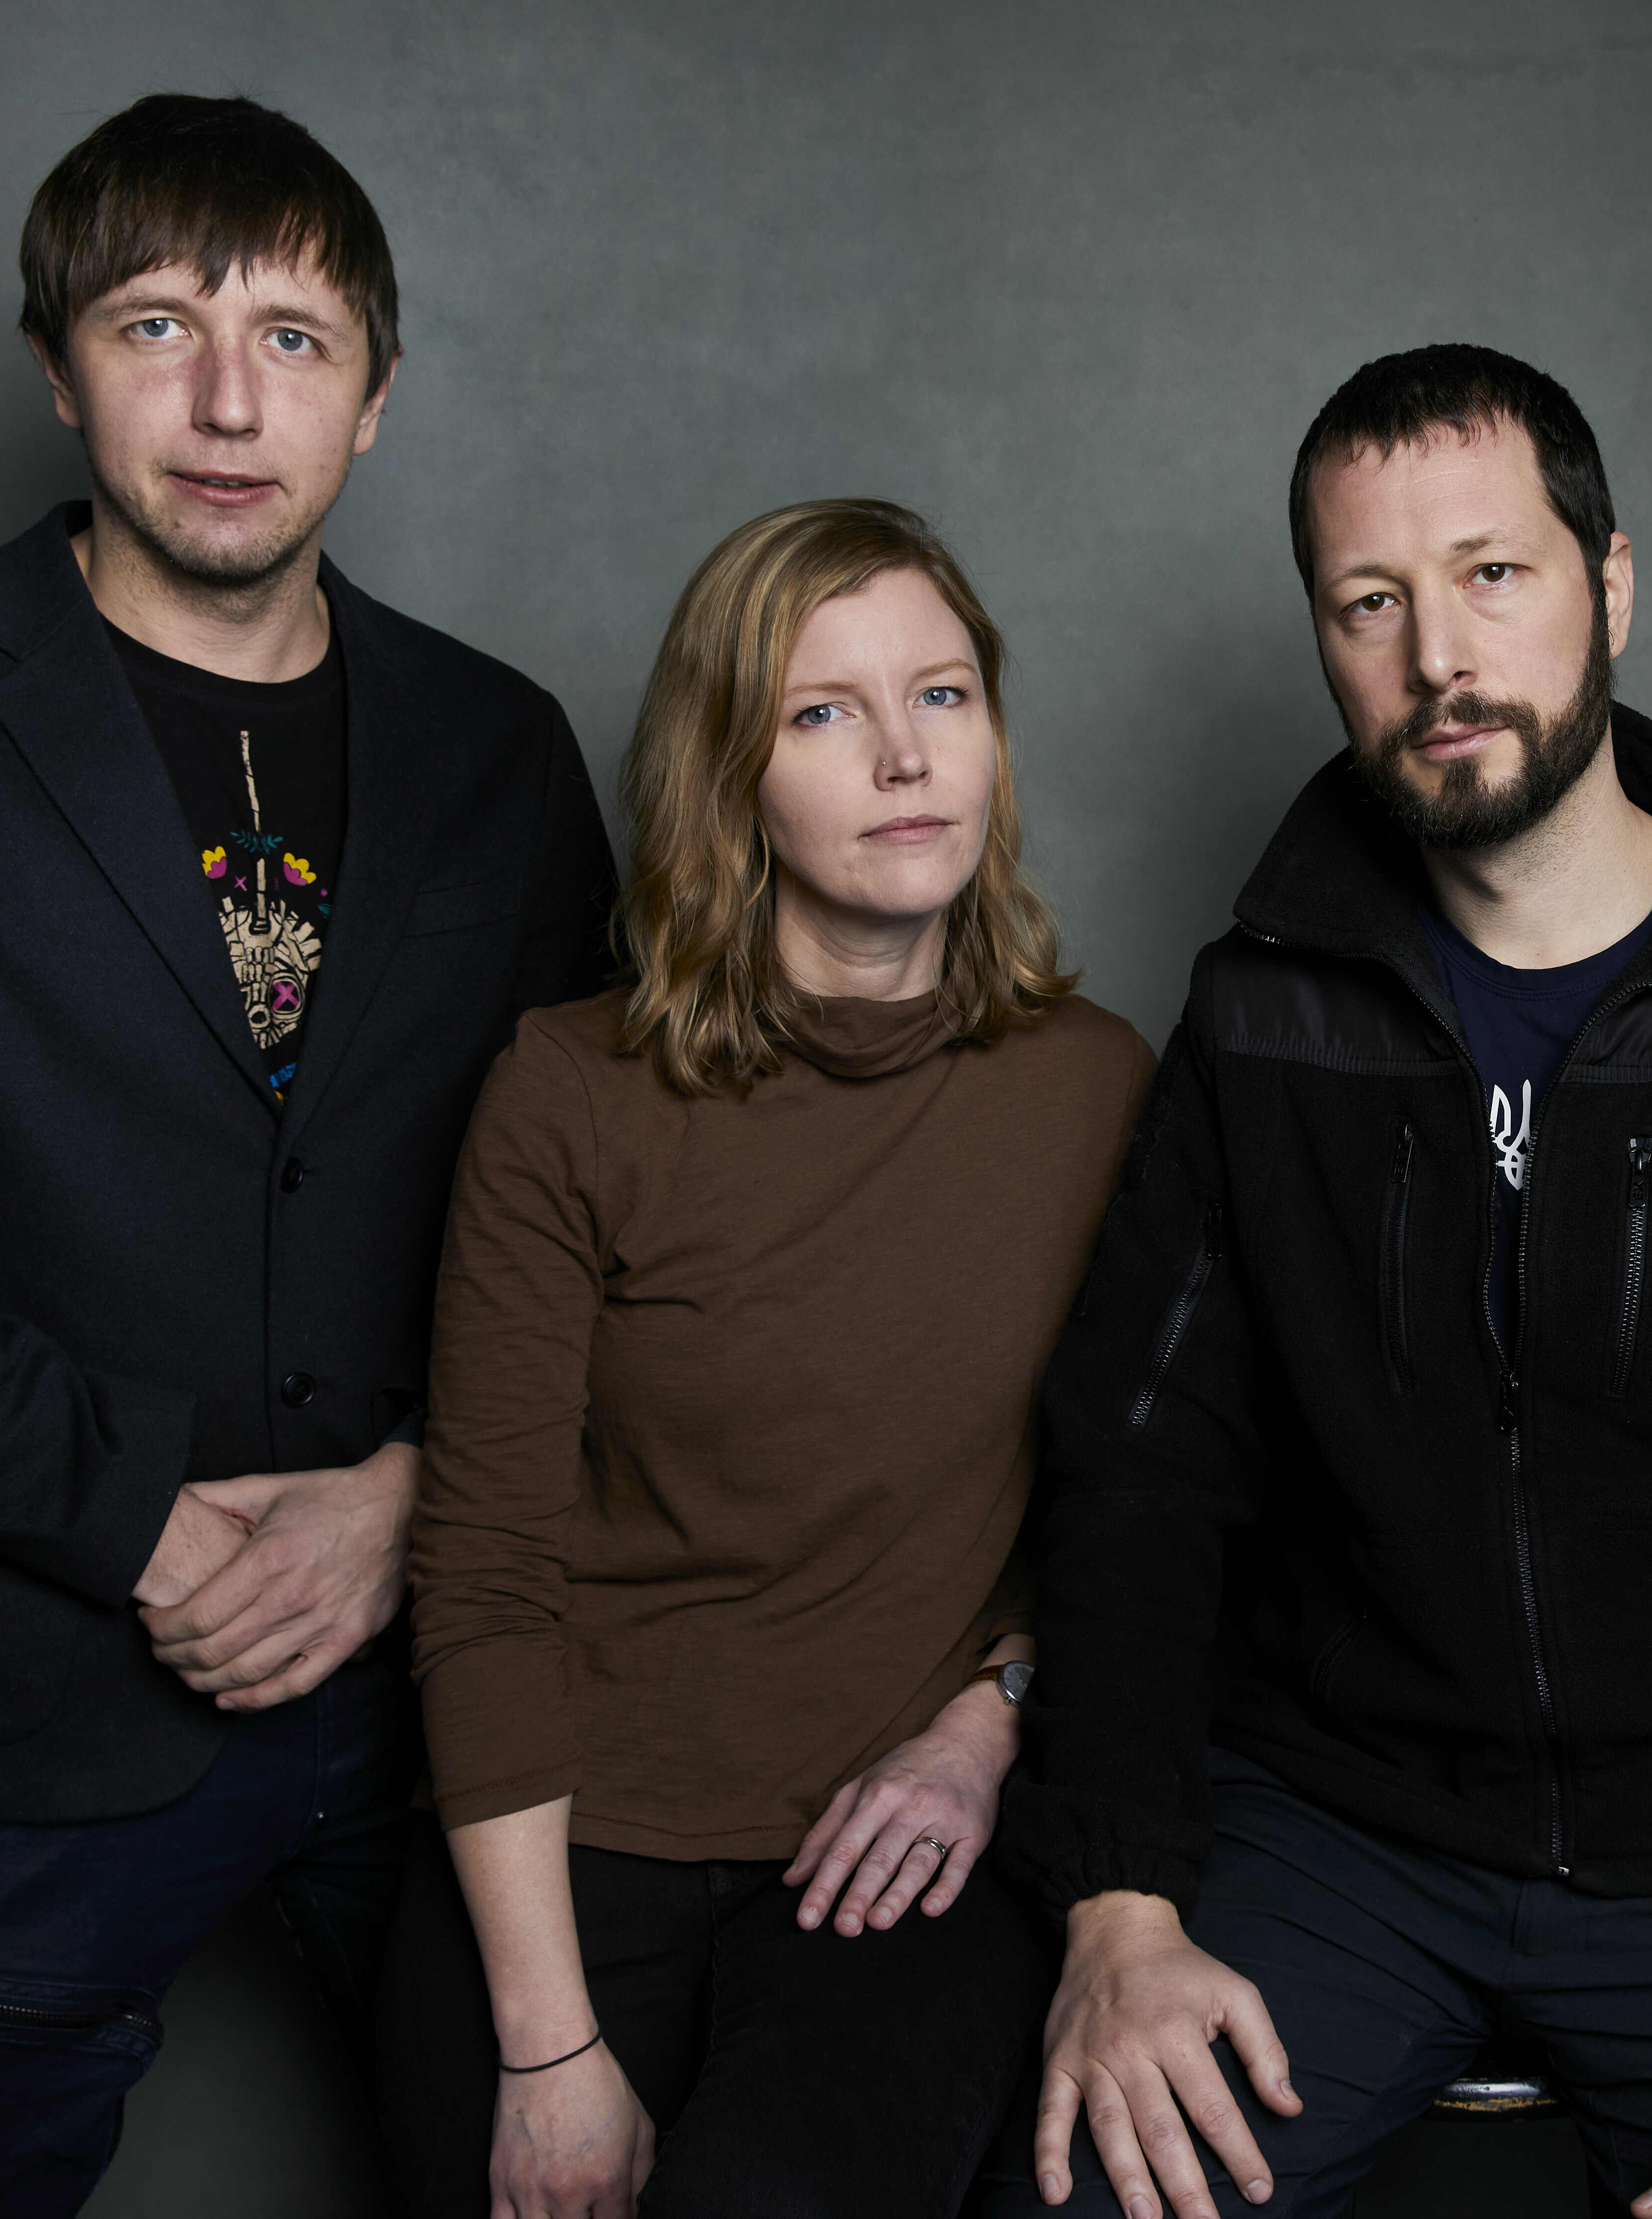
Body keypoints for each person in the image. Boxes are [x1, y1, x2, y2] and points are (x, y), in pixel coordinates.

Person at [980, 345, 1652, 2219]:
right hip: (1340, 1835)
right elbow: (1139, 1480)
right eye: (1368, 603)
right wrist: (1120, 1906)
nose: (1439, 659)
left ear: (1609, 586)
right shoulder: (1262, 1015)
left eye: (1494, 575)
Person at [0, 92, 620, 2214]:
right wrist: (145, 1526)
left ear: (375, 394)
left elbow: (590, 1216)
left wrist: (412, 1496)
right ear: (56, 365)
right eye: (155, 326)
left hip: (436, 1717)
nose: (227, 401)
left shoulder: (498, 748)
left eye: (293, 338)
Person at [376, 499, 1152, 2218]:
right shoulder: (569, 1093)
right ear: (729, 772)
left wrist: (992, 1720)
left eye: (942, 696)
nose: (904, 756)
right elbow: (485, 1572)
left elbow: (1147, 1510)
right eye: (822, 712)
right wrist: (548, 2052)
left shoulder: (1099, 1090)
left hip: (897, 1850)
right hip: (556, 1846)